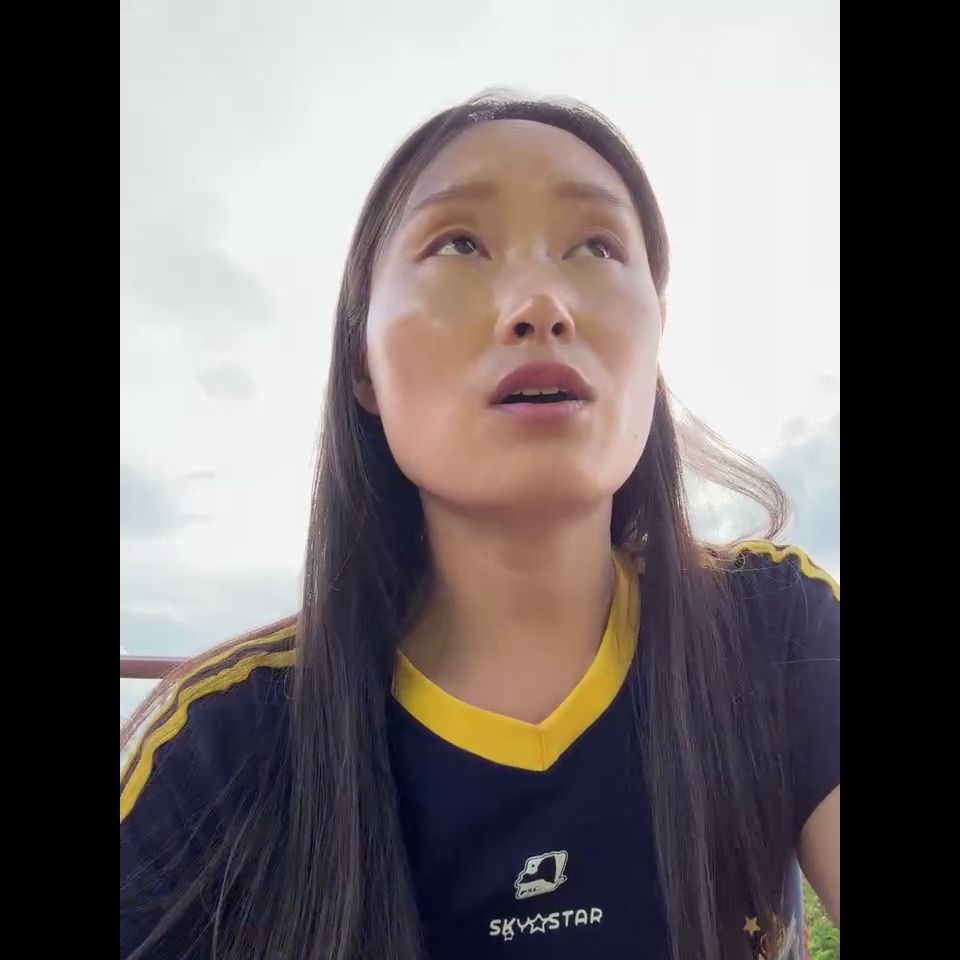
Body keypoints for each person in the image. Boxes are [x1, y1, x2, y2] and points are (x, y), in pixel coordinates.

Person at [120, 92, 839, 960]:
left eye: (597, 246)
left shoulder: (776, 628)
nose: (541, 304)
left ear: (656, 340)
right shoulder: (216, 749)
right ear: (363, 366)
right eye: (458, 244)